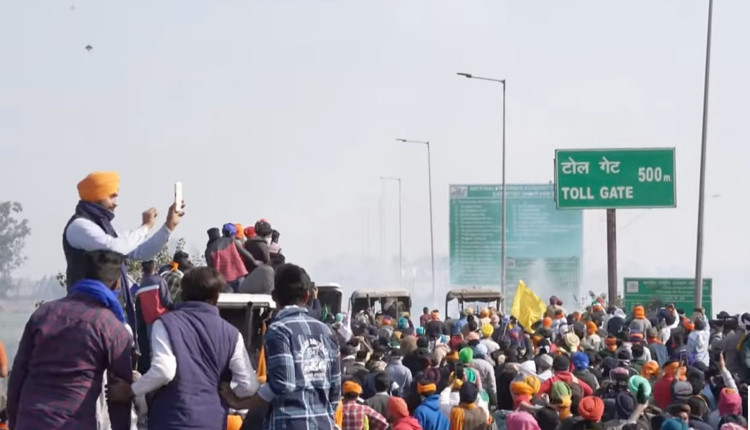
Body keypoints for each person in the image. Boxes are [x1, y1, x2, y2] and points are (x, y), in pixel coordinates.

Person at [108, 267, 260, 430]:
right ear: (216, 297)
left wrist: (130, 390)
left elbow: (164, 371)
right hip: (212, 421)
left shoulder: (166, 323)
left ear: (183, 293)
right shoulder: (232, 334)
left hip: (172, 419)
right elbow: (248, 385)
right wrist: (233, 399)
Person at [7, 250, 133, 430]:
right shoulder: (113, 329)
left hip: (30, 421)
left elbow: (18, 377)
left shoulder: (44, 314)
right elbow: (119, 395)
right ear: (116, 283)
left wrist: (14, 423)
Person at [222, 263, 341, 430]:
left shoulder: (279, 330)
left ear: (274, 296)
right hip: (323, 423)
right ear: (307, 296)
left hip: (288, 423)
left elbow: (283, 383)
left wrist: (240, 403)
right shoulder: (326, 331)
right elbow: (335, 388)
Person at [63, 171, 184, 332]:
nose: (115, 203)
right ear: (98, 196)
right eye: (112, 196)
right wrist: (145, 226)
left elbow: (141, 252)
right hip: (86, 312)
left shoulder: (105, 227)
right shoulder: (79, 226)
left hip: (110, 308)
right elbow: (117, 248)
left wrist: (169, 226)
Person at [134, 260, 173, 373]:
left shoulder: (141, 286)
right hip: (162, 319)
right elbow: (166, 301)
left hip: (148, 323)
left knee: (153, 351)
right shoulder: (160, 281)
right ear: (155, 268)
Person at [205, 224, 248, 292]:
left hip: (223, 279)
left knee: (228, 300)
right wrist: (255, 261)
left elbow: (210, 269)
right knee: (242, 298)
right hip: (238, 274)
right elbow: (246, 253)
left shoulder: (208, 250)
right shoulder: (230, 241)